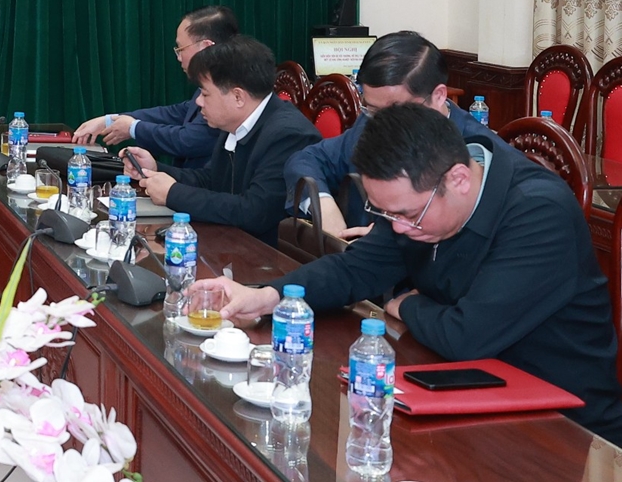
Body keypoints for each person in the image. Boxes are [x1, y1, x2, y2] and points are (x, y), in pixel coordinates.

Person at [195, 103, 622, 445]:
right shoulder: (416, 200)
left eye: (407, 214)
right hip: (462, 392)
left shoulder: (538, 212)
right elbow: (356, 267)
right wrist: (268, 296)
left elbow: (468, 336)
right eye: (386, 213)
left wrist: (407, 305)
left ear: (459, 179)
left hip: (563, 427)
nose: (398, 228)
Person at [283, 30, 505, 239]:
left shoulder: (481, 156)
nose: (383, 122)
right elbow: (306, 160)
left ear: (438, 96)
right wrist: (323, 206)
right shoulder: (370, 124)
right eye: (372, 109)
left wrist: (392, 241)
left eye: (395, 109)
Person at [121, 34, 321, 244]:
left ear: (238, 97)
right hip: (230, 242)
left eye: (205, 94)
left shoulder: (289, 136)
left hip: (266, 253)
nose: (198, 102)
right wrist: (156, 168)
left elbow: (254, 212)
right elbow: (210, 180)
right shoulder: (235, 121)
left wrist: (173, 194)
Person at [74, 5, 239, 169]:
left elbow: (189, 140)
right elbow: (178, 113)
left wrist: (133, 128)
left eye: (181, 49)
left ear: (206, 47)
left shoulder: (231, 86)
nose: (179, 58)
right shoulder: (214, 81)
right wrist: (110, 121)